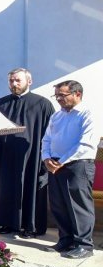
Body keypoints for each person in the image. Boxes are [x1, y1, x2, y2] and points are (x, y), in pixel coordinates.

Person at [0, 68, 55, 237]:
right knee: (6, 191)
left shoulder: (43, 104)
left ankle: (30, 227)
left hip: (32, 157)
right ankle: (7, 224)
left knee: (31, 191)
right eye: (11, 81)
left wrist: (46, 158)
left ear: (29, 81)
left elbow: (51, 133)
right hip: (5, 158)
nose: (14, 84)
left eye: (18, 80)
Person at [42, 81, 97, 258]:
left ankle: (84, 245)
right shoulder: (56, 116)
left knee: (78, 205)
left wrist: (62, 161)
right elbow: (47, 139)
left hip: (78, 164)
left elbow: (85, 143)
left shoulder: (87, 114)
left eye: (62, 95)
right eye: (56, 95)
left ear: (77, 94)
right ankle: (66, 239)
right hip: (56, 164)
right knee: (59, 204)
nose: (58, 99)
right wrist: (46, 158)